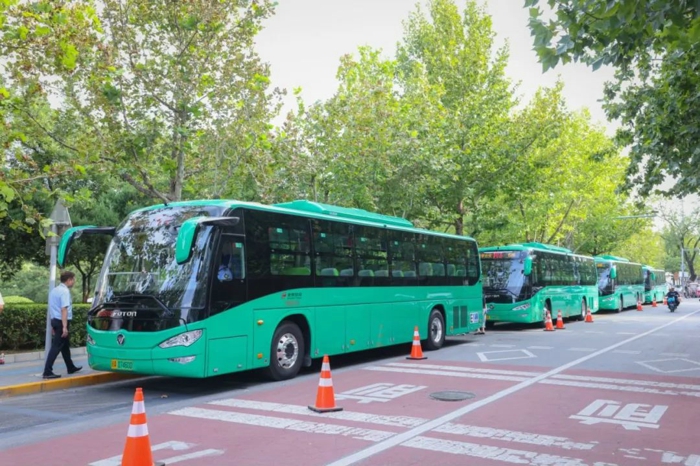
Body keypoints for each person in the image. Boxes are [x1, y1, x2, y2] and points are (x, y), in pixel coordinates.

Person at [43, 271, 82, 379]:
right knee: (56, 346)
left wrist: (53, 325)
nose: (74, 282)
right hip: (62, 322)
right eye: (73, 280)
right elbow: (63, 309)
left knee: (65, 346)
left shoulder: (54, 290)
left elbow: (52, 308)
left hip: (56, 320)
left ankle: (70, 367)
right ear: (69, 280)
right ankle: (47, 371)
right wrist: (64, 327)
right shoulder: (64, 291)